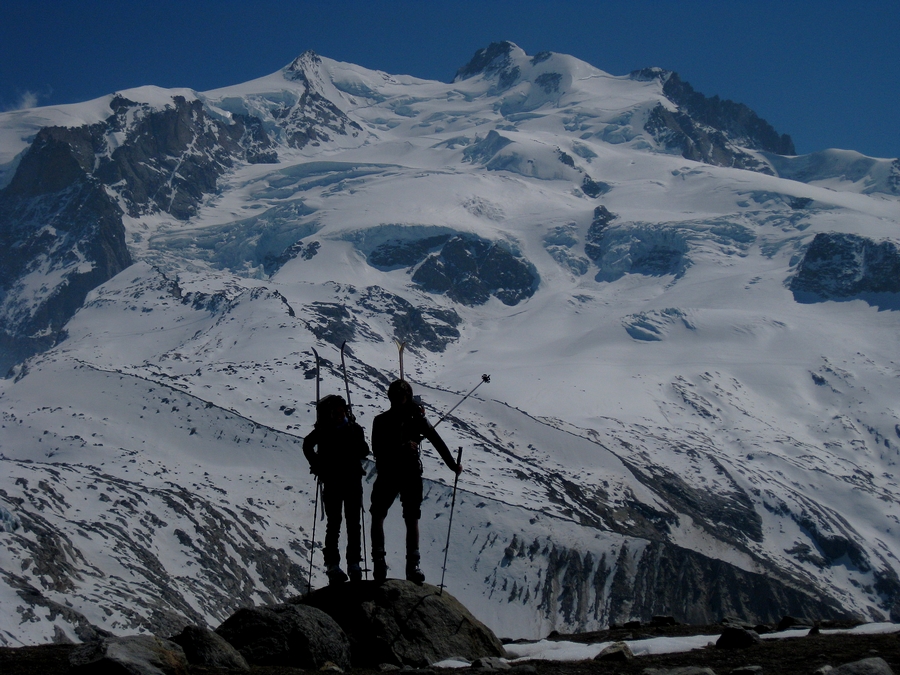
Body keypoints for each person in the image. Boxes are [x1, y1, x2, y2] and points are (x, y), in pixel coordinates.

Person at [369, 379, 462, 583]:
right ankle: (411, 566)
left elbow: (378, 449)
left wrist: (452, 465)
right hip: (406, 472)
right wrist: (452, 464)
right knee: (408, 518)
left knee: (381, 515)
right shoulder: (415, 419)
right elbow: (436, 440)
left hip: (391, 473)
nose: (398, 402)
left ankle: (381, 563)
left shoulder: (383, 420)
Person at [303, 394, 369, 584]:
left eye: (340, 412)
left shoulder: (328, 430)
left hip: (339, 481)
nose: (339, 415)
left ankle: (341, 564)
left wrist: (316, 463)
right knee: (342, 523)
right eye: (335, 412)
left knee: (344, 523)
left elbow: (308, 445)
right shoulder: (351, 428)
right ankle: (348, 564)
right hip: (346, 481)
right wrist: (316, 463)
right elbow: (364, 451)